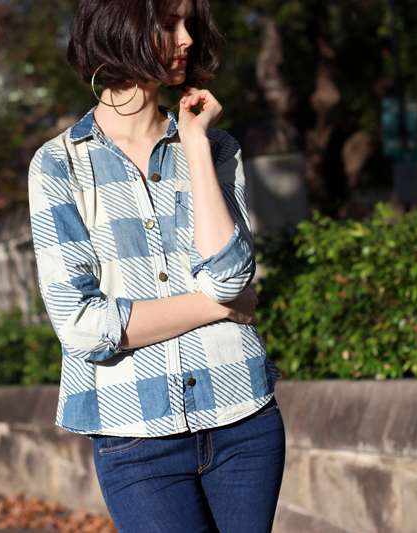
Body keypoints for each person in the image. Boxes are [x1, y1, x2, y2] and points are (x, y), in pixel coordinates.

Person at [28, 0, 285, 530]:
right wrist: (216, 308)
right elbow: (83, 325)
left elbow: (232, 277)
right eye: (169, 24)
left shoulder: (215, 147)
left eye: (189, 23)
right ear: (121, 26)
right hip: (135, 437)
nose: (187, 38)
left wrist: (192, 143)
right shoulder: (59, 164)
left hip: (243, 419)